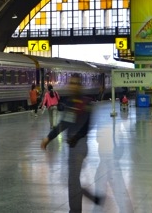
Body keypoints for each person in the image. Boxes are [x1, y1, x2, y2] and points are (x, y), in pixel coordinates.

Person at [40, 74, 103, 212]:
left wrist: (76, 137)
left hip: (79, 145)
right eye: (71, 83)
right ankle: (92, 198)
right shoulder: (71, 102)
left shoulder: (86, 103)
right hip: (73, 145)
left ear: (80, 85)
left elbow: (87, 126)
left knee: (72, 180)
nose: (73, 85)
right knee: (72, 179)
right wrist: (49, 138)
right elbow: (64, 123)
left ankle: (75, 211)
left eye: (75, 83)